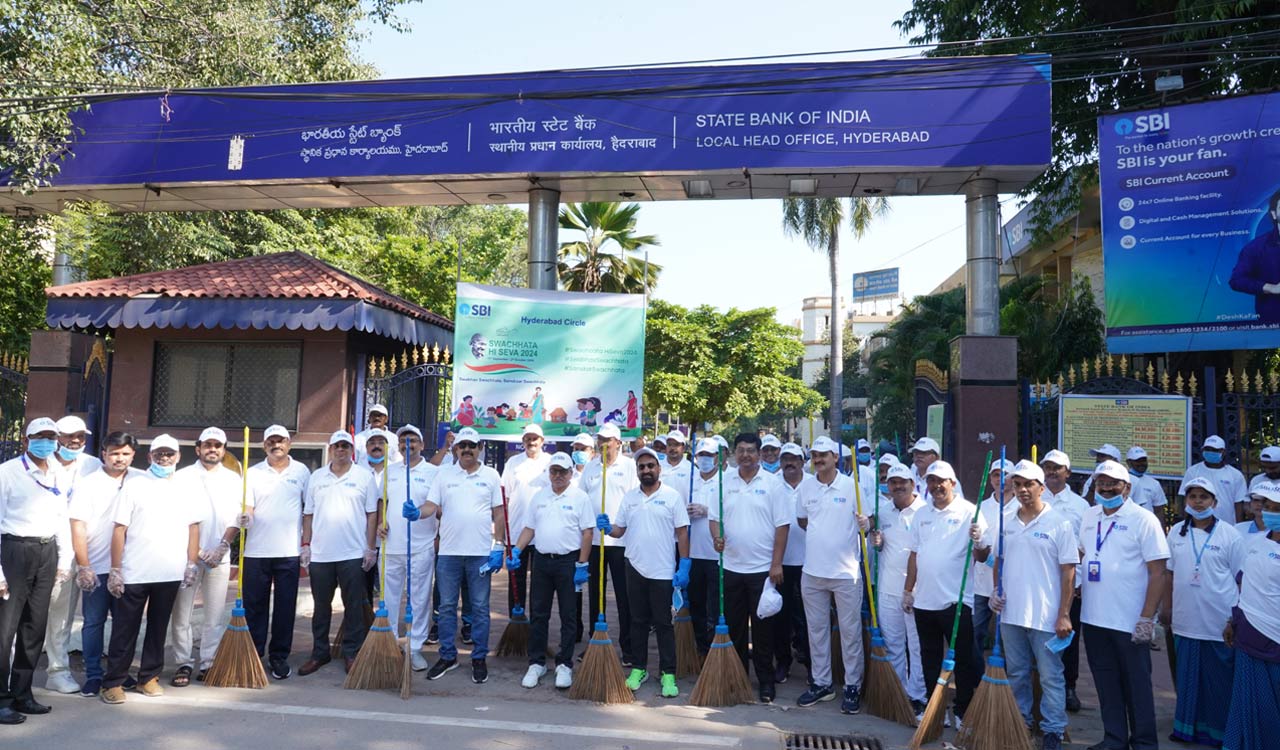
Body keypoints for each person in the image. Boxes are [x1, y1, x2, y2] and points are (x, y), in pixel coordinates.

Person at [100, 434, 200, 705]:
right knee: (125, 628)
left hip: (169, 572)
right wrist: (116, 569)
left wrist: (191, 563)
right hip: (135, 571)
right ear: (149, 457)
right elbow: (119, 529)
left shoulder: (186, 487)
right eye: (159, 454)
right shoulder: (135, 485)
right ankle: (113, 682)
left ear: (179, 456)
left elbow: (193, 528)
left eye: (169, 454)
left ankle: (148, 677)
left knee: (159, 628)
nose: (164, 458)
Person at [989, 460, 1079, 750]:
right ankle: (1021, 722)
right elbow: (998, 559)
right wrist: (995, 590)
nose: (1023, 490)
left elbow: (1069, 571)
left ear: (1041, 487)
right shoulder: (1006, 518)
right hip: (1011, 613)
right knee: (1017, 673)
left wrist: (1064, 614)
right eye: (1017, 484)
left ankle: (1052, 731)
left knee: (1051, 676)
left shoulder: (1059, 522)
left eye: (1029, 484)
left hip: (1046, 615)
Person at [1080, 460, 1169, 750]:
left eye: (1112, 483)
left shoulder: (1144, 519)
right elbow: (1082, 554)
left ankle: (1144, 743)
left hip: (1130, 620)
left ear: (1127, 487)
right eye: (1100, 483)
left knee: (1137, 687)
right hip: (1094, 618)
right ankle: (1114, 739)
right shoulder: (1089, 516)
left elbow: (1158, 572)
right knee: (1105, 683)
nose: (1105, 488)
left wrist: (1147, 618)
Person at [597, 448, 691, 698]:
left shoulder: (672, 497)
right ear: (637, 471)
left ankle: (668, 672)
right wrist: (607, 529)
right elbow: (620, 531)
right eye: (642, 467)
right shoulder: (629, 498)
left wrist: (685, 564)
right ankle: (639, 668)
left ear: (659, 469)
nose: (646, 470)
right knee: (637, 621)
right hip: (634, 567)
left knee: (663, 623)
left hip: (662, 569)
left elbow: (682, 532)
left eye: (650, 465)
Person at [903, 460, 988, 729]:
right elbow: (914, 554)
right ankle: (933, 707)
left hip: (956, 600)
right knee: (929, 656)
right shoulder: (922, 514)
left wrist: (979, 540)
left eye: (942, 481)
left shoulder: (969, 512)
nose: (936, 486)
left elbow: (983, 556)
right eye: (931, 481)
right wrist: (908, 590)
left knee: (963, 659)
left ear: (952, 483)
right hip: (924, 601)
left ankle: (962, 709)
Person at [1161, 476, 1244, 747]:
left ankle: (1219, 733)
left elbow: (1241, 579)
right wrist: (1167, 607)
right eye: (1193, 497)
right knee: (1186, 678)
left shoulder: (1230, 535)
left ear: (1215, 502)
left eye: (1204, 497)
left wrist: (1236, 617)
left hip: (1219, 621)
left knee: (1219, 679)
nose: (1198, 502)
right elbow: (1169, 575)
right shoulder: (1175, 532)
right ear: (1185, 501)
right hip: (1186, 619)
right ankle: (1186, 730)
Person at [0, 418, 73, 722]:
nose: (46, 442)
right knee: (5, 630)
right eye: (40, 436)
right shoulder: (7, 472)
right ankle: (1, 698)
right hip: (14, 550)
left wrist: (64, 559)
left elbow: (62, 517)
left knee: (34, 626)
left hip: (46, 552)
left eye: (51, 437)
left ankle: (22, 693)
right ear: (27, 440)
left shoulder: (57, 472)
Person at [710, 433, 791, 704]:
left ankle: (766, 682)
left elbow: (782, 526)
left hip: (762, 571)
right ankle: (738, 678)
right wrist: (716, 537)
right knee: (735, 629)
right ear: (734, 453)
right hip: (731, 568)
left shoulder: (772, 484)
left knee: (763, 630)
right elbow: (714, 518)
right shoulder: (724, 481)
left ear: (759, 454)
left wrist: (776, 563)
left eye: (751, 451)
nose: (746, 455)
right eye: (741, 450)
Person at [794, 436, 870, 714]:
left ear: (836, 458)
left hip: (846, 573)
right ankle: (822, 682)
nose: (818, 459)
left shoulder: (852, 487)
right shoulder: (806, 486)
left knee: (850, 633)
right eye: (815, 455)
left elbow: (868, 522)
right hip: (812, 572)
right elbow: (803, 520)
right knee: (816, 632)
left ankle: (852, 686)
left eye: (824, 455)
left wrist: (866, 522)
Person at [424, 427, 504, 684]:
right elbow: (431, 506)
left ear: (479, 448)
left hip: (480, 553)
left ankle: (478, 658)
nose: (467, 449)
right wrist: (417, 512)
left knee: (480, 608)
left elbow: (499, 513)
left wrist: (498, 546)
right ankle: (448, 656)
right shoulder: (443, 475)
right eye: (462, 445)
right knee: (446, 607)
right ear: (455, 449)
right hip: (448, 553)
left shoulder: (491, 475)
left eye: (472, 445)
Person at [507, 453, 593, 690]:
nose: (557, 476)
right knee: (539, 613)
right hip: (542, 561)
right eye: (553, 471)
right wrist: (516, 550)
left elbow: (587, 532)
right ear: (549, 473)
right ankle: (537, 662)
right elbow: (529, 528)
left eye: (562, 472)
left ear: (570, 473)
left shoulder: (580, 497)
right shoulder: (539, 496)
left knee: (568, 615)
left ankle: (564, 664)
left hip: (568, 562)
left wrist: (582, 564)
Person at [68, 431, 144, 697]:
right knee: (94, 622)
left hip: (131, 568)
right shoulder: (88, 484)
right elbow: (77, 525)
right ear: (104, 453)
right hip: (98, 567)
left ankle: (120, 673)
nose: (119, 458)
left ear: (133, 454)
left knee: (126, 624)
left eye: (125, 453)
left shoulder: (142, 480)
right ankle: (93, 675)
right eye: (114, 453)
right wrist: (84, 565)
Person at [298, 431, 379, 676]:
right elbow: (309, 513)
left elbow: (372, 514)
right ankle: (319, 652)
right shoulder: (317, 477)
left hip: (353, 553)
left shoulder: (364, 477)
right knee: (321, 607)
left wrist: (370, 547)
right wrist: (306, 544)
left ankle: (351, 652)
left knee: (353, 606)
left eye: (346, 446)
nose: (341, 450)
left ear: (352, 450)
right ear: (331, 449)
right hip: (321, 554)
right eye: (337, 446)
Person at [169, 427, 242, 685]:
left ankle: (209, 662)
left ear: (223, 450)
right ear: (198, 448)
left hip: (219, 556)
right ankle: (183, 663)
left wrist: (223, 545)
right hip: (187, 556)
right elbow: (176, 516)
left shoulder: (234, 480)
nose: (213, 449)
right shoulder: (182, 477)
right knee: (182, 613)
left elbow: (237, 517)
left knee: (214, 613)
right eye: (208, 445)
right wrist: (197, 551)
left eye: (218, 445)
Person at [40, 415, 103, 695]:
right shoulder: (40, 465)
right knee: (25, 611)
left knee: (62, 613)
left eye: (80, 436)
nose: (75, 441)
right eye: (68, 436)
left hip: (77, 548)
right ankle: (11, 668)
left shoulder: (93, 466)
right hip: (41, 547)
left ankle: (57, 670)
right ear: (56, 437)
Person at [243, 424, 310, 681]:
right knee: (254, 606)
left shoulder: (301, 471)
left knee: (285, 607)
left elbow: (308, 510)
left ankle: (279, 656)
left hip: (289, 551)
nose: (276, 445)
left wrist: (306, 544)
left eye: (280, 440)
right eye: (271, 441)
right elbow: (248, 506)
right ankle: (254, 653)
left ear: (289, 443)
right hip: (256, 552)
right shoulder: (253, 472)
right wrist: (245, 517)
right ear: (264, 446)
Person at [1220, 480, 1280, 750]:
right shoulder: (1256, 542)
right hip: (1248, 634)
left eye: (1273, 506)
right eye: (1263, 504)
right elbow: (1243, 583)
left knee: (1272, 708)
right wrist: (1234, 620)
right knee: (1245, 703)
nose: (1265, 510)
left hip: (1275, 641)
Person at [869, 462, 928, 715]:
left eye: (902, 481)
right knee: (894, 644)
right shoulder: (883, 511)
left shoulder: (925, 511)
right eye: (893, 482)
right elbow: (879, 545)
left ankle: (918, 695)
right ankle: (899, 693)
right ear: (888, 486)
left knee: (917, 645)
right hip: (887, 588)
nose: (898, 486)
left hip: (917, 590)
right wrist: (876, 541)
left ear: (913, 483)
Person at [578, 423, 637, 663]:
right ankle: (595, 642)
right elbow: (582, 499)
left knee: (625, 597)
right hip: (595, 542)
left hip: (621, 540)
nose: (603, 444)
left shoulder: (630, 466)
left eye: (608, 440)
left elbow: (634, 500)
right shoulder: (591, 466)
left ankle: (629, 648)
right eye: (600, 439)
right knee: (595, 595)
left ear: (618, 443)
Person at [1040, 448, 1090, 713]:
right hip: (1039, 581)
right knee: (1039, 634)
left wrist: (1078, 579)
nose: (1052, 473)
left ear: (1067, 473)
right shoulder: (1033, 499)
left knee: (1068, 635)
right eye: (1048, 468)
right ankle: (1041, 686)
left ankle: (1068, 686)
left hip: (1070, 582)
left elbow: (1085, 546)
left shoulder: (1081, 506)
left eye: (1057, 468)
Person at [385, 425, 439, 671]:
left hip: (421, 545)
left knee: (419, 598)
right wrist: (379, 525)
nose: (408, 444)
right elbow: (380, 502)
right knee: (389, 598)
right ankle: (388, 643)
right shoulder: (389, 471)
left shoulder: (433, 472)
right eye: (403, 440)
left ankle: (415, 646)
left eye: (413, 440)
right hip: (391, 545)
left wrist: (419, 513)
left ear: (422, 444)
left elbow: (436, 507)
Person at [501, 424, 551, 621]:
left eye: (535, 438)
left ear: (542, 441)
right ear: (523, 442)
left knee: (539, 583)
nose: (531, 442)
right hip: (515, 531)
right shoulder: (513, 463)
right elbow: (504, 496)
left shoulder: (551, 462)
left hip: (542, 533)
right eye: (528, 438)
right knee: (516, 580)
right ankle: (516, 620)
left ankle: (538, 625)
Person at [972, 457, 1015, 661]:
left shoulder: (1021, 506)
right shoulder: (980, 507)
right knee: (975, 633)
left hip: (1011, 583)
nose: (1001, 479)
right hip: (982, 582)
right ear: (991, 479)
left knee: (1010, 640)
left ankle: (1007, 686)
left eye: (1005, 475)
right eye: (996, 475)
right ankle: (976, 682)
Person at [774, 442, 809, 685]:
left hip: (810, 560)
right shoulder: (772, 484)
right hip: (782, 560)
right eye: (785, 458)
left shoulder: (813, 484)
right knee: (781, 615)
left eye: (794, 459)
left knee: (809, 616)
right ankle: (783, 661)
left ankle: (811, 664)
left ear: (802, 462)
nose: (789, 463)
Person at [686, 438, 722, 657]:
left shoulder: (724, 481)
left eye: (709, 456)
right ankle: (701, 647)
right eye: (701, 456)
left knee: (716, 606)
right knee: (697, 604)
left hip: (716, 554)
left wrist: (708, 510)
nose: (705, 460)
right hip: (694, 552)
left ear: (717, 457)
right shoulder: (690, 480)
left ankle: (717, 647)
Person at [1227, 188, 1280, 324]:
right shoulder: (1257, 247)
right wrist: (1271, 288)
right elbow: (1237, 280)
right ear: (1274, 214)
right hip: (1274, 325)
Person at [1180, 435, 1248, 525]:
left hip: (1227, 524)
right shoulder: (1193, 471)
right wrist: (1186, 523)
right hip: (1197, 525)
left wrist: (1238, 526)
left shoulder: (1235, 475)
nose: (1210, 452)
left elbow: (1239, 503)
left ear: (1223, 452)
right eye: (1207, 449)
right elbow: (1184, 498)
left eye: (1214, 450)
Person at [1126, 447, 1170, 523]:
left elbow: (1159, 510)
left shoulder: (1154, 483)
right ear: (1129, 462)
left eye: (1144, 460)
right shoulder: (1121, 481)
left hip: (1146, 526)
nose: (1142, 463)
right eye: (1138, 461)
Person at [661, 431, 691, 495]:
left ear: (683, 448)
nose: (672, 448)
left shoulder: (691, 469)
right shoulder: (657, 466)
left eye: (676, 445)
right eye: (669, 444)